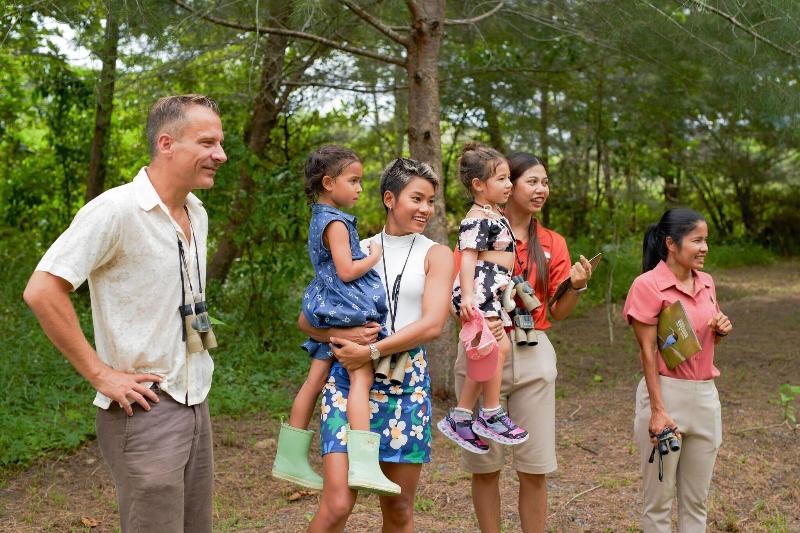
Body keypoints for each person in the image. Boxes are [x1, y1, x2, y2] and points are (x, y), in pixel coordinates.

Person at [23, 94, 227, 532]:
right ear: (167, 143)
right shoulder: (115, 210)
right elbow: (42, 290)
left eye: (220, 143)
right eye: (208, 143)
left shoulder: (196, 211)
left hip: (195, 398)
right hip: (144, 406)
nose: (220, 155)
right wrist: (101, 374)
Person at [301, 157, 453, 533]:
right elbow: (308, 320)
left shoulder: (437, 254)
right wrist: (343, 339)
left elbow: (432, 325)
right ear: (389, 198)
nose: (425, 209)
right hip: (349, 377)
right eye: (416, 198)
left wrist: (370, 350)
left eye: (430, 201)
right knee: (337, 504)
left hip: (405, 383)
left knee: (399, 509)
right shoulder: (357, 247)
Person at [453, 152, 594, 533]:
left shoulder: (552, 242)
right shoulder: (480, 228)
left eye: (545, 182)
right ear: (506, 184)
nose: (542, 189)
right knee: (486, 468)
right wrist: (481, 322)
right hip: (483, 346)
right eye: (532, 181)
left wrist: (577, 286)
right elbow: (461, 290)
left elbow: (558, 311)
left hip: (534, 351)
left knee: (535, 467)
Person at [271, 145, 399, 495]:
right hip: (345, 306)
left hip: (327, 304)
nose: (359, 188)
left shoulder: (318, 217)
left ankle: (290, 459)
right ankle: (363, 465)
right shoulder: (338, 223)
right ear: (328, 182)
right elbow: (346, 270)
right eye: (353, 180)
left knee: (314, 380)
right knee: (361, 379)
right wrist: (374, 256)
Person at [623, 208, 732, 532]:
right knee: (658, 504)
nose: (704, 248)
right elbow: (648, 351)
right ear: (671, 243)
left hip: (705, 398)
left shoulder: (707, 283)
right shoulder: (648, 285)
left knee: (696, 503)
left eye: (706, 241)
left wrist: (720, 330)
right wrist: (658, 411)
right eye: (696, 240)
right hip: (666, 397)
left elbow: (697, 341)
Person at [438, 142, 529, 454]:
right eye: (501, 179)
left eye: (508, 178)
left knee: (494, 348)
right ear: (478, 185)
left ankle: (463, 416)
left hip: (490, 289)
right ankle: (488, 412)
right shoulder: (476, 217)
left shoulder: (493, 213)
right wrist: (467, 297)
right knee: (493, 348)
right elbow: (466, 258)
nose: (509, 184)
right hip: (478, 289)